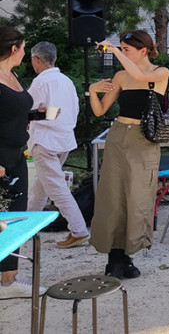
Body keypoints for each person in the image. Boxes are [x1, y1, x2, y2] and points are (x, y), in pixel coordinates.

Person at [88, 30, 169, 279]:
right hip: (119, 136)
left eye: (127, 50)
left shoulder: (159, 73)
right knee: (113, 197)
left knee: (137, 198)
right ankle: (114, 257)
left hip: (144, 141)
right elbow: (101, 110)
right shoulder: (121, 75)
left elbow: (140, 75)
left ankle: (127, 255)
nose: (123, 53)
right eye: (121, 49)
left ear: (143, 50)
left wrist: (113, 51)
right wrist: (92, 90)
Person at [26, 41, 89, 248]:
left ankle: (79, 230)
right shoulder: (66, 81)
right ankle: (28, 224)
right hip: (63, 138)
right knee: (41, 188)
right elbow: (75, 109)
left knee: (56, 188)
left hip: (46, 140)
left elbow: (29, 110)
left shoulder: (40, 83)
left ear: (37, 59)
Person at [0, 26, 40, 299]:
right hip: (0, 157)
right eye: (24, 48)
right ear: (14, 49)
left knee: (16, 216)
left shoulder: (12, 75)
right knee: (2, 219)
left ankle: (9, 278)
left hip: (16, 154)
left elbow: (13, 111)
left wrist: (33, 118)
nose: (25, 53)